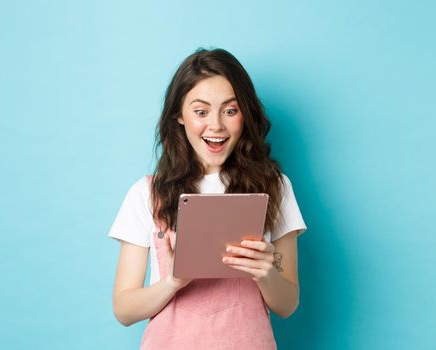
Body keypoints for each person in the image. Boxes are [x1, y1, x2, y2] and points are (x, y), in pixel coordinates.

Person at [108, 47, 307, 349]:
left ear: (246, 114)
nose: (216, 125)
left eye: (230, 110)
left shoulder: (275, 187)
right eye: (201, 112)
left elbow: (287, 304)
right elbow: (124, 309)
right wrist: (173, 281)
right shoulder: (147, 193)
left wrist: (266, 272)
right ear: (179, 116)